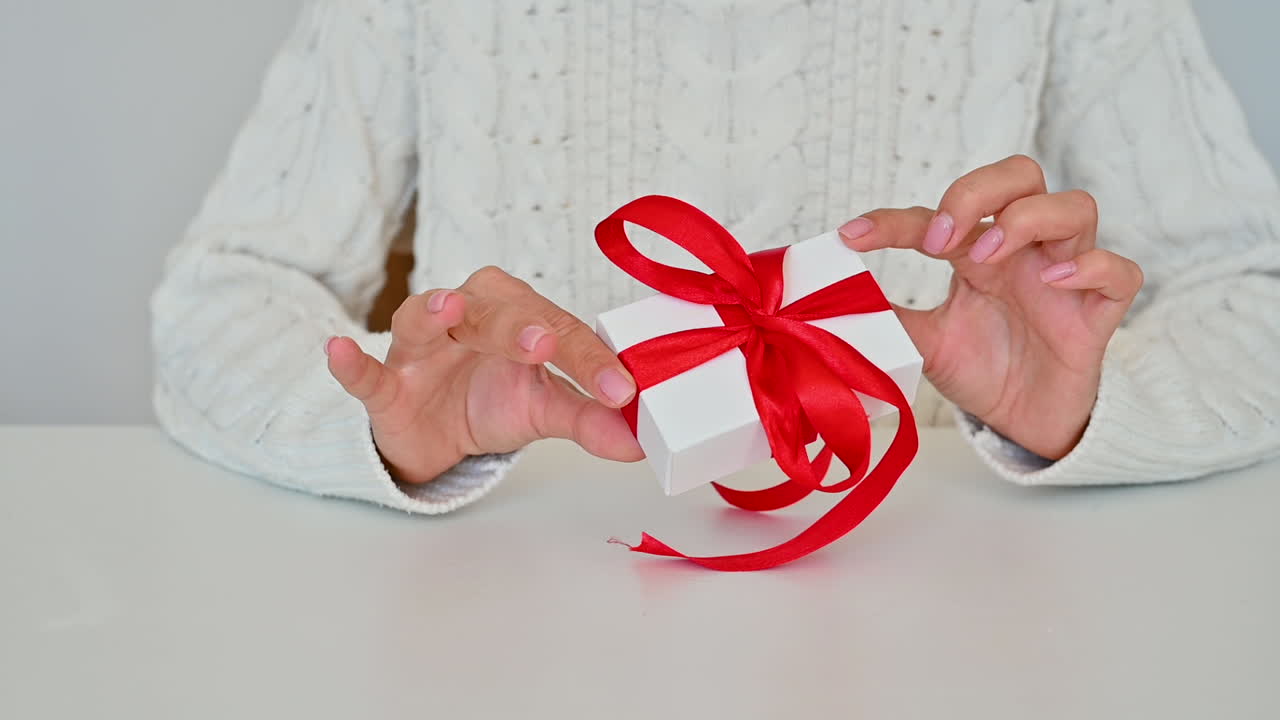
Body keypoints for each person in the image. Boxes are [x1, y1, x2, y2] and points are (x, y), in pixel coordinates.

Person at [152, 0, 1280, 515]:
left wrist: (1082, 413)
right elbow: (219, 295)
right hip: (496, 632)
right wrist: (380, 426)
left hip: (952, 632)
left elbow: (1251, 295)